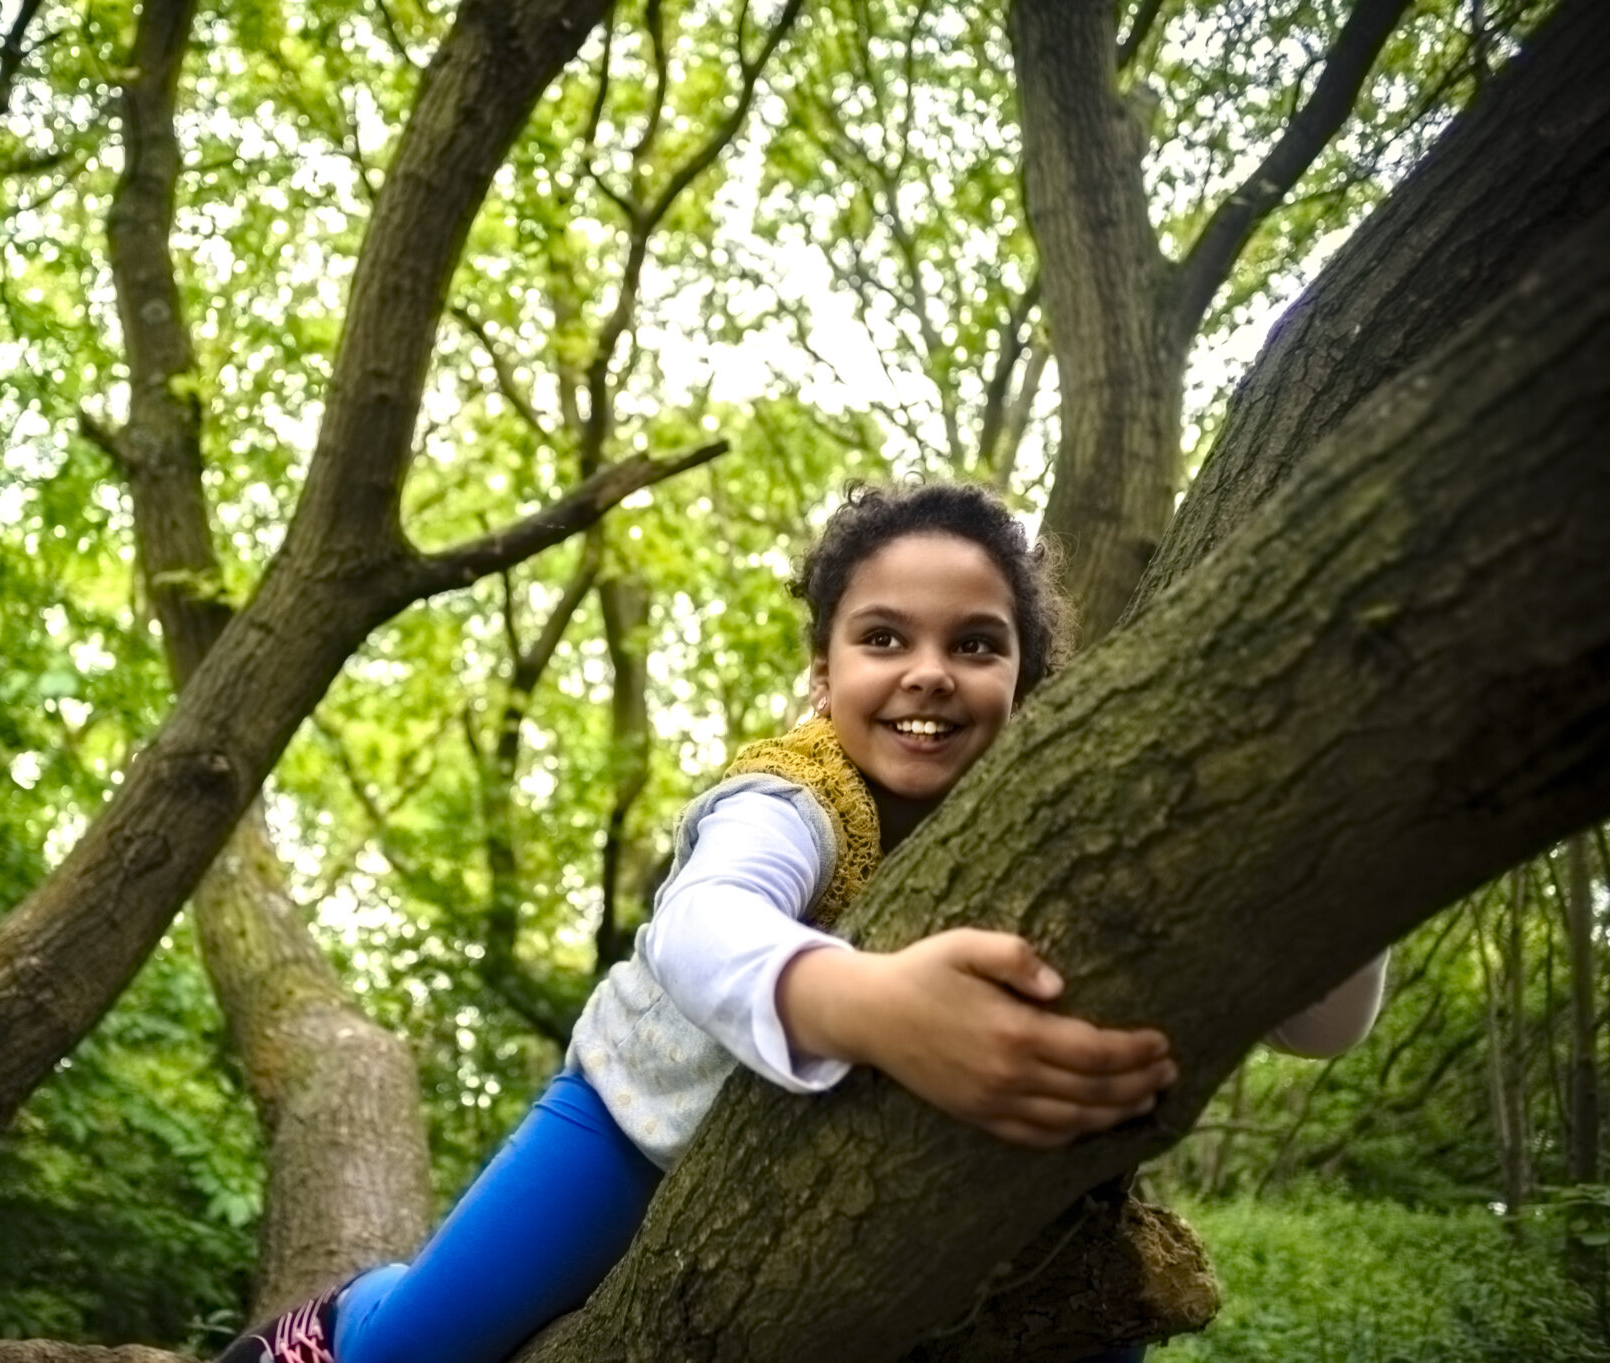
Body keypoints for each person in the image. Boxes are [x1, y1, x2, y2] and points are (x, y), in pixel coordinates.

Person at [225, 483, 1389, 1363]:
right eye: (883, 638)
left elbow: (1316, 1023)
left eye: (974, 644)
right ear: (824, 674)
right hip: (634, 1126)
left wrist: (1333, 850)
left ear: (1028, 676)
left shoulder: (1060, 827)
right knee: (410, 1353)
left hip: (915, 1190)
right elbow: (701, 923)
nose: (927, 672)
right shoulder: (794, 795)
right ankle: (347, 1307)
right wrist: (873, 1005)